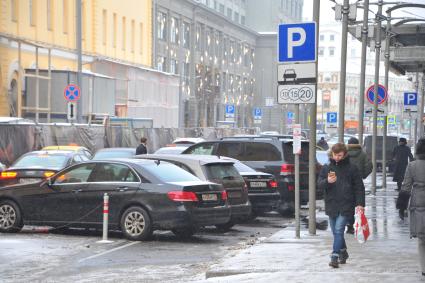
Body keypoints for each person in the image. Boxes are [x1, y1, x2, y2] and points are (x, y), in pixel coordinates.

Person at [317, 143, 365, 268]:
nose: (337, 157)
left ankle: (334, 256)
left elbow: (359, 187)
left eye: (340, 155)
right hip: (332, 203)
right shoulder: (327, 168)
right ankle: (343, 252)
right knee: (335, 232)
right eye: (335, 155)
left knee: (338, 230)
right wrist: (327, 181)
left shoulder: (352, 168)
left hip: (346, 203)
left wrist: (360, 204)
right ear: (332, 154)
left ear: (344, 155)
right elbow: (319, 184)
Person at [396, 138, 425, 277]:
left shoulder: (412, 166)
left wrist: (401, 207)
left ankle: (424, 269)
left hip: (418, 202)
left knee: (422, 238)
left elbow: (406, 186)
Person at [345, 137, 373, 234]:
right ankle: (355, 223)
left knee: (346, 203)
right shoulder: (362, 154)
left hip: (345, 182)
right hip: (357, 181)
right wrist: (363, 174)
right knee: (357, 203)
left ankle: (349, 223)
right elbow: (370, 165)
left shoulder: (344, 153)